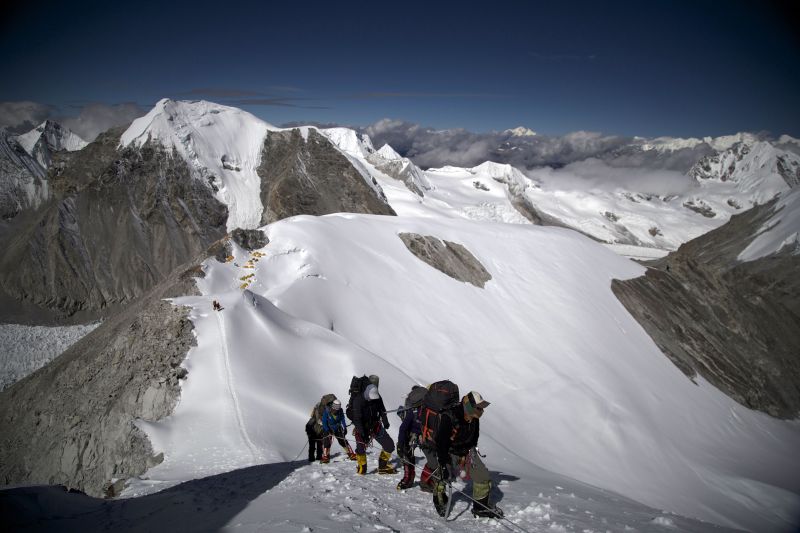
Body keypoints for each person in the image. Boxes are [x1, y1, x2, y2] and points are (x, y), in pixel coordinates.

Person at [422, 391, 503, 519]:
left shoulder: (473, 417)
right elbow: (441, 442)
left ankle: (480, 507)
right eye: (478, 407)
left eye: (481, 408)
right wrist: (443, 463)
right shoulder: (450, 417)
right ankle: (440, 499)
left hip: (467, 451)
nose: (481, 410)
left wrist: (470, 452)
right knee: (443, 477)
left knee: (482, 476)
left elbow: (474, 435)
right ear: (469, 405)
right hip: (449, 451)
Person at [350, 377, 397, 475]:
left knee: (389, 445)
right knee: (361, 448)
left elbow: (382, 410)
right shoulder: (358, 400)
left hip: (375, 425)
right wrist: (363, 434)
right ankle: (362, 467)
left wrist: (385, 422)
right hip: (362, 427)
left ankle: (383, 466)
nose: (373, 400)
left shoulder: (377, 397)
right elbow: (357, 419)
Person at [396, 385, 427, 490]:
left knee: (407, 455)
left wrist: (400, 445)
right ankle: (427, 481)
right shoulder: (429, 408)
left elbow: (403, 428)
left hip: (412, 433)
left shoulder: (411, 410)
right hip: (424, 434)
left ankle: (408, 478)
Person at [305, 394, 337, 463]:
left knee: (315, 444)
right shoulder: (321, 407)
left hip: (313, 428)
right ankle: (314, 458)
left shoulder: (321, 406)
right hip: (313, 428)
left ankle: (314, 458)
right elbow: (319, 419)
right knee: (315, 443)